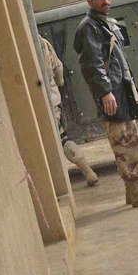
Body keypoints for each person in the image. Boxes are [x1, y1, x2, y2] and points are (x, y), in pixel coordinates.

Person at [73, 0, 138, 207]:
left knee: (136, 139)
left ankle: (133, 190)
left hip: (123, 90)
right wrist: (105, 92)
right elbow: (92, 64)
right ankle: (136, 191)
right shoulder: (89, 27)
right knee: (125, 142)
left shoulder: (106, 24)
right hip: (112, 92)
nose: (105, 1)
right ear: (89, 1)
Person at [39, 36, 98, 186]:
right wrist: (58, 83)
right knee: (63, 138)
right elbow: (58, 70)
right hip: (52, 101)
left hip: (33, 105)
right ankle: (86, 170)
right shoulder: (43, 44)